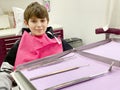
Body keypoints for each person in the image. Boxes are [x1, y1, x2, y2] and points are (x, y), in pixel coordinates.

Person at [0, 2, 72, 89]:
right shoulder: (19, 45)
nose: (39, 25)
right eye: (34, 21)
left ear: (47, 21)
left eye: (42, 20)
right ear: (26, 23)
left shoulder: (58, 41)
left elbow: (74, 57)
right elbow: (5, 72)